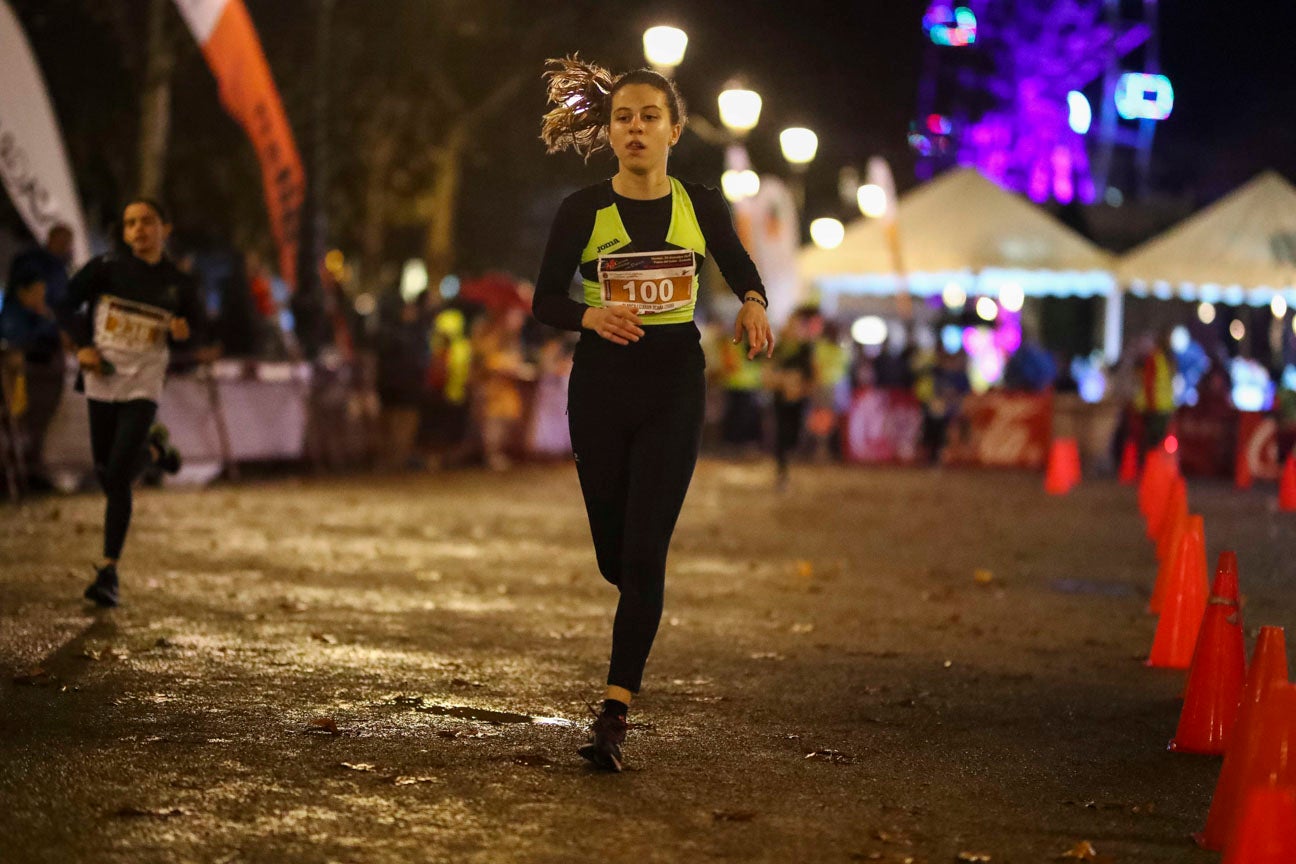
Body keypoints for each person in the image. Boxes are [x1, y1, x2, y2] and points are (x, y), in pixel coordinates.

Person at [533, 56, 774, 771]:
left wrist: (756, 306)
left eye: (649, 117)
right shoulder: (582, 210)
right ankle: (634, 603)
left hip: (674, 387)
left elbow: (741, 270)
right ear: (609, 132)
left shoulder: (699, 204)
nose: (636, 128)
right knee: (616, 554)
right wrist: (591, 316)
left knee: (645, 554)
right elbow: (545, 300)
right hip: (601, 391)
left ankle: (614, 710)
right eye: (623, 118)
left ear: (674, 129)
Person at [54, 199, 205, 607]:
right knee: (108, 472)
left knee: (118, 473)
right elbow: (63, 303)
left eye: (148, 222)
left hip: (145, 382)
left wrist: (182, 333)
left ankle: (108, 572)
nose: (139, 229)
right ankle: (155, 450)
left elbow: (201, 335)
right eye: (131, 223)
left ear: (165, 228)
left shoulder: (180, 284)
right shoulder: (105, 269)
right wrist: (83, 347)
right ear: (123, 232)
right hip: (102, 377)